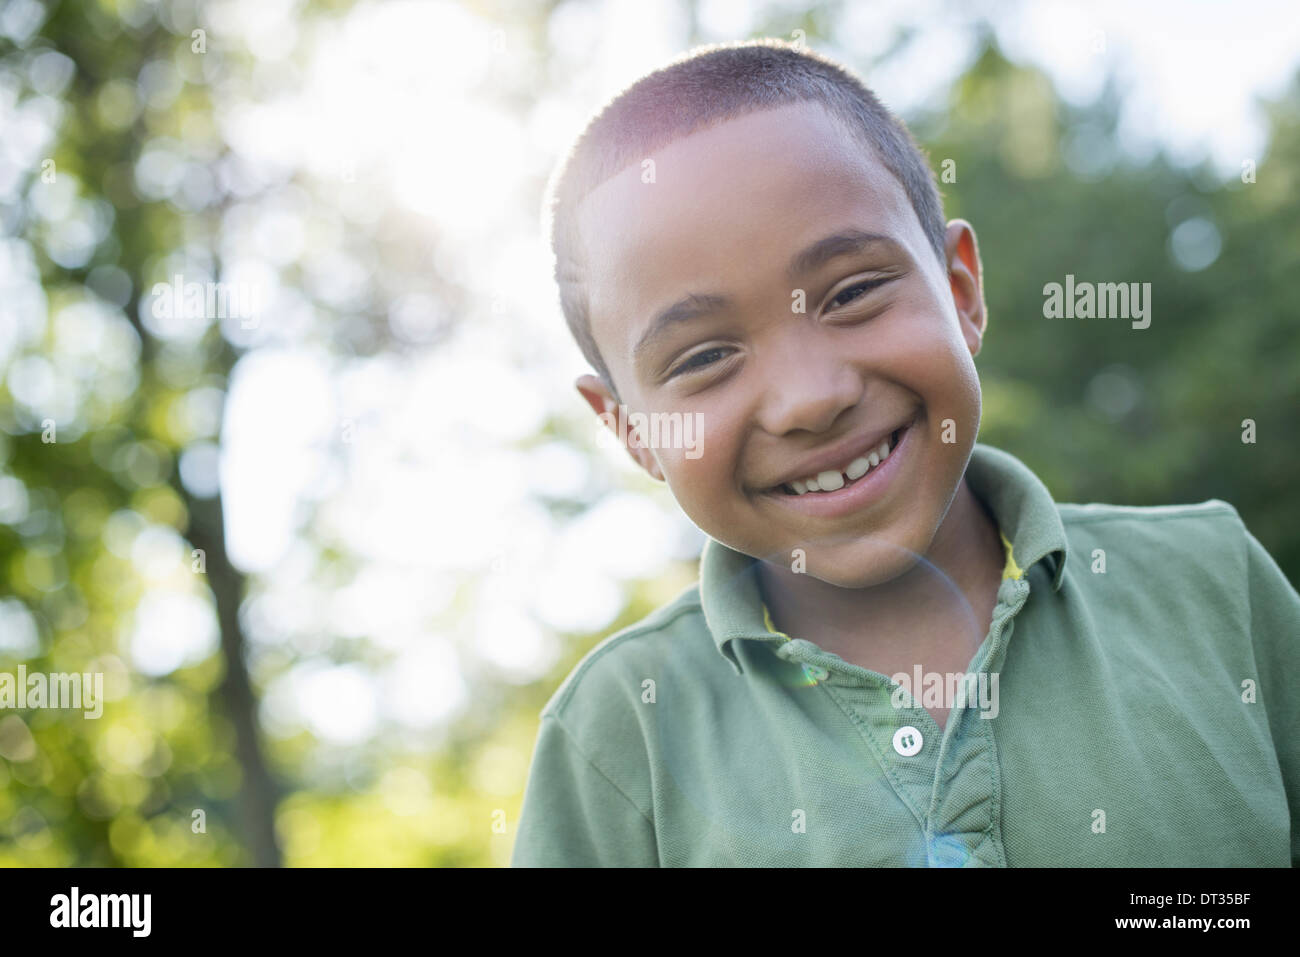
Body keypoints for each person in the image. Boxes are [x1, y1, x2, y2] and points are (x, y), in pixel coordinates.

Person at [512, 39, 1300, 866]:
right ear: (632, 430)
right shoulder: (615, 733)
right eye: (703, 356)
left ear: (961, 291)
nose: (811, 396)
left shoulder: (1212, 583)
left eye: (851, 292)